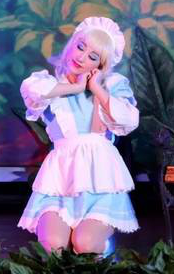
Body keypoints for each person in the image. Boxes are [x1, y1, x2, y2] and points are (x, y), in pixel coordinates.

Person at [17, 16, 139, 254]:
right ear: (72, 43)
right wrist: (75, 87)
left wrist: (96, 89)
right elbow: (33, 92)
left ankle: (101, 251)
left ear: (101, 65)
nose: (81, 57)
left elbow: (128, 120)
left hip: (100, 181)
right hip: (60, 180)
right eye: (81, 46)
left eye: (93, 57)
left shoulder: (112, 86)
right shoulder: (49, 83)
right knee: (53, 246)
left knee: (85, 244)